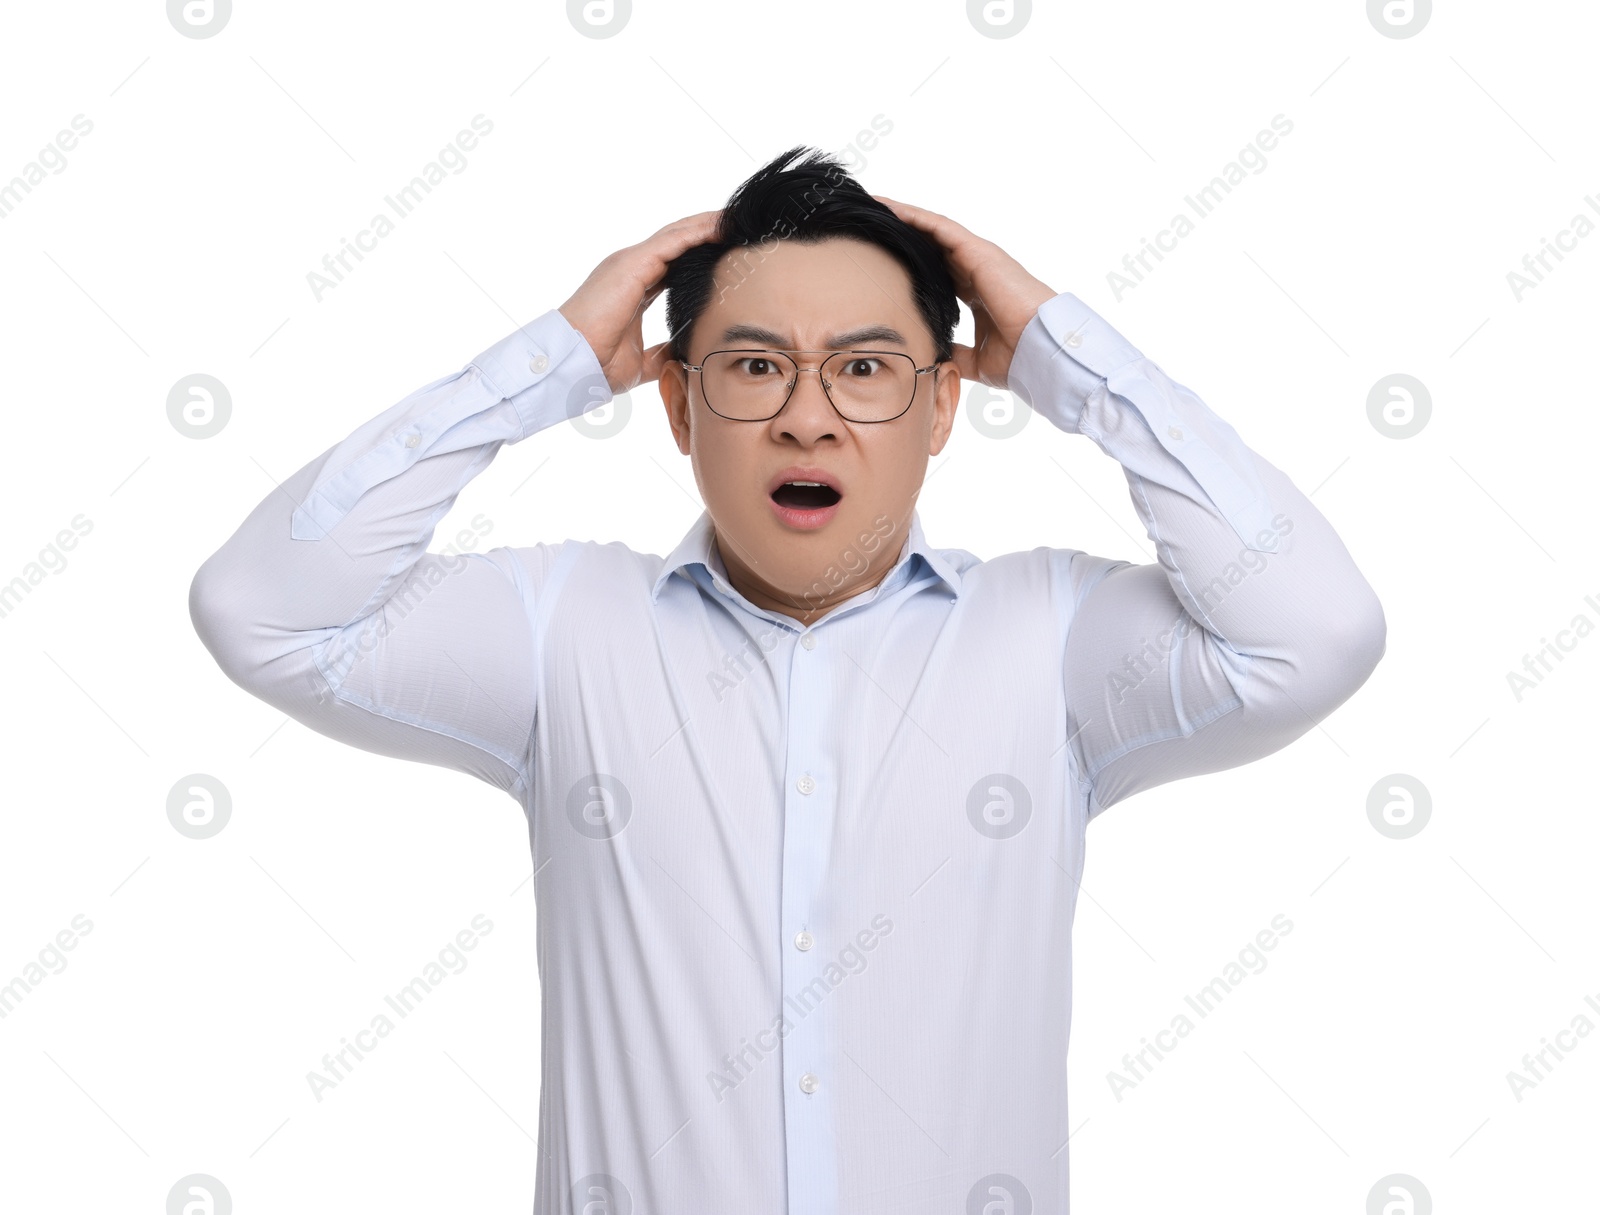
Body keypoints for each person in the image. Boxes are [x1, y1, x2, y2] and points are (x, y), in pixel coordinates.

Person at [189, 145, 1385, 1213]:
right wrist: (544, 366)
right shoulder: (562, 633)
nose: (807, 420)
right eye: (753, 369)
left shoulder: (1052, 641)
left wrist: (1080, 367)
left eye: (866, 371)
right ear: (675, 405)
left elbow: (1314, 630)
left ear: (940, 409)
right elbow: (263, 613)